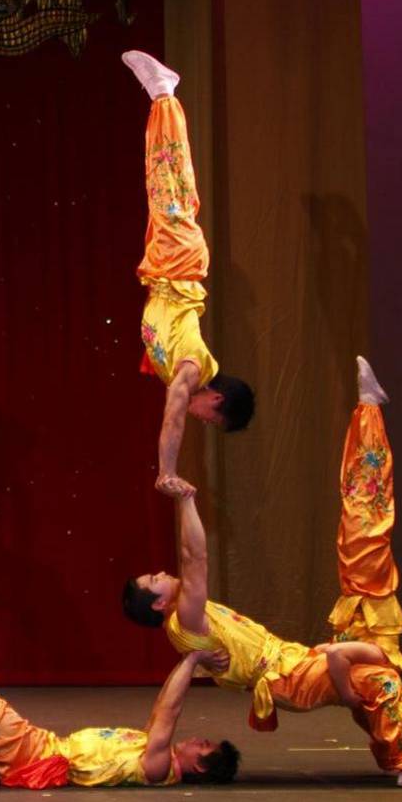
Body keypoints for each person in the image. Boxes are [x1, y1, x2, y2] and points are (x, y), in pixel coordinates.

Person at [121, 435, 402, 787]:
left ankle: (393, 759)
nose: (160, 573)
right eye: (153, 580)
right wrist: (186, 500)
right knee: (381, 679)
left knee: (367, 627)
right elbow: (195, 558)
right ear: (158, 604)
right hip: (287, 678)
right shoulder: (184, 618)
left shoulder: (188, 618)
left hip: (293, 663)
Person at [120, 51, 254, 494]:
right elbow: (174, 416)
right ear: (217, 400)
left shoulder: (181, 370)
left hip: (164, 267)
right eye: (212, 420)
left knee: (159, 179)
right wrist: (167, 470)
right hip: (179, 264)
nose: (202, 421)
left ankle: (162, 96)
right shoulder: (192, 370)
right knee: (170, 177)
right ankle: (165, 93)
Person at [0, 634, 239, 788]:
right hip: (40, 744)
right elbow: (162, 706)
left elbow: (171, 711)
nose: (199, 739)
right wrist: (186, 659)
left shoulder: (158, 767)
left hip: (35, 756)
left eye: (205, 745)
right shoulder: (155, 747)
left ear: (199, 766)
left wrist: (194, 661)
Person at [329, 357, 402, 670]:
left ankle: (369, 408)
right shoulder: (383, 660)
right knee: (366, 501)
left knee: (354, 496)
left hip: (356, 587)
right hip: (370, 583)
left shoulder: (363, 667)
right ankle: (369, 408)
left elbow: (335, 654)